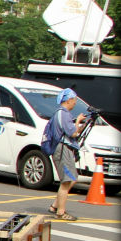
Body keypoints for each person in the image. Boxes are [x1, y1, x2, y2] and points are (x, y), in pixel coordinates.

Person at [46, 87, 88, 221]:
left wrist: (80, 124)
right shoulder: (63, 114)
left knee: (72, 178)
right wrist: (78, 122)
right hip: (63, 149)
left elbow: (71, 131)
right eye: (74, 100)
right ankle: (60, 212)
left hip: (62, 148)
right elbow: (73, 133)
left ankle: (55, 206)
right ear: (69, 100)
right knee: (67, 181)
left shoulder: (61, 113)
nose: (75, 103)